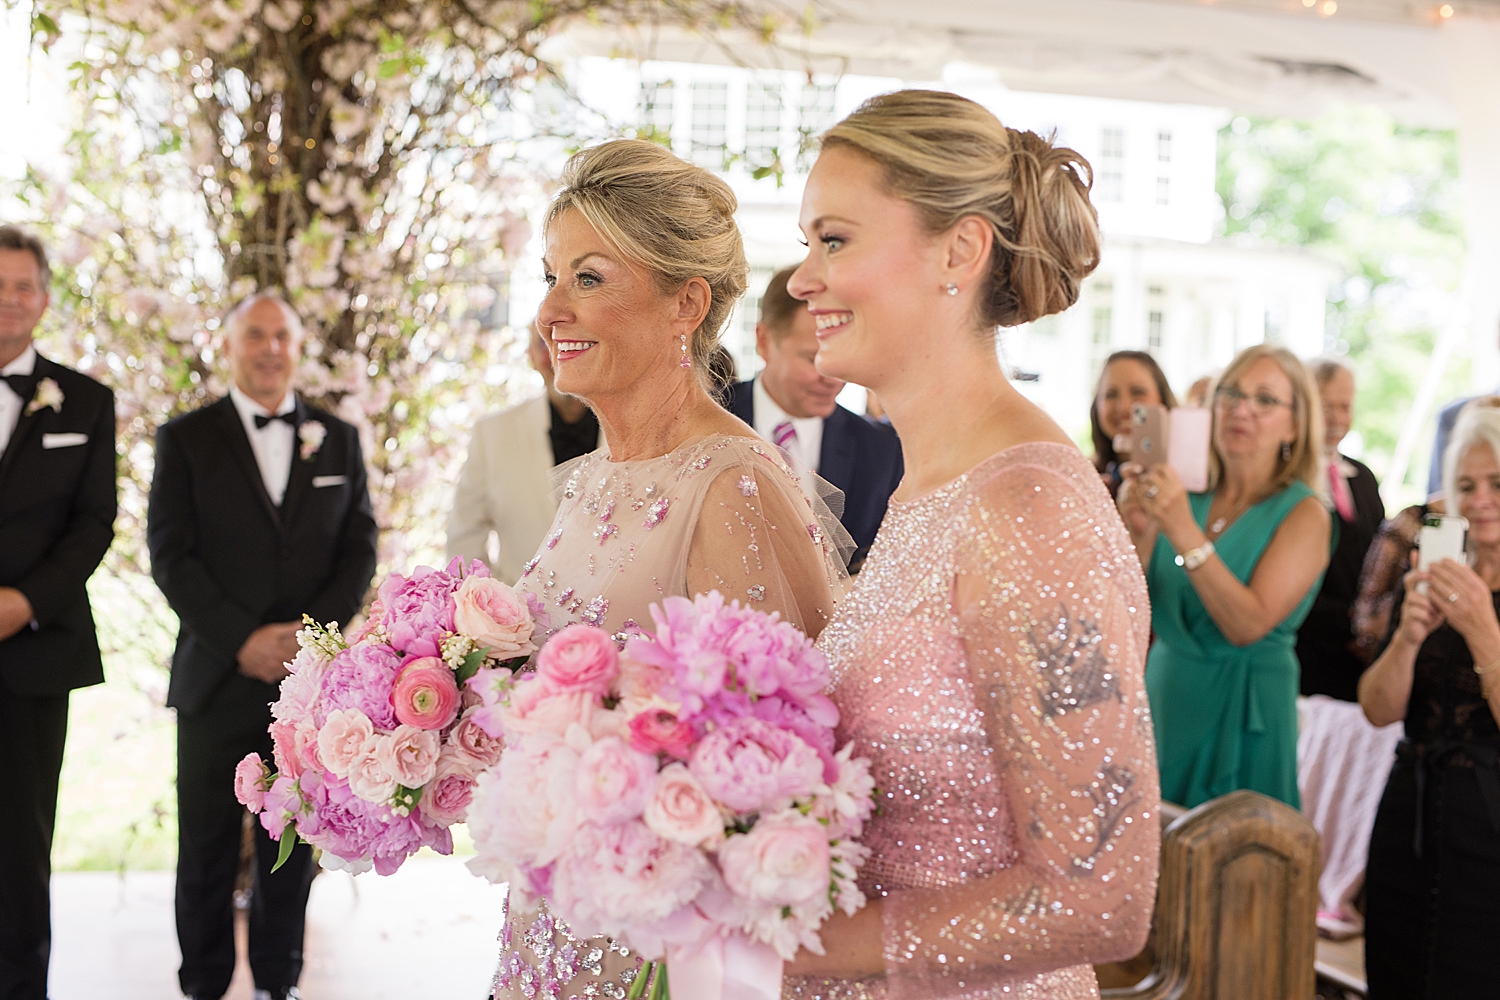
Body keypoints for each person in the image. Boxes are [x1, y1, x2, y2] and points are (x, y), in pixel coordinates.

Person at [781, 89, 1159, 999]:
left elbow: (1103, 897)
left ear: (960, 250)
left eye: (834, 240)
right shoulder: (925, 489)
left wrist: (797, 940)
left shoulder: (1027, 507)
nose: (801, 280)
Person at [490, 139, 850, 1000]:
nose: (550, 310)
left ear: (684, 302)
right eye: (549, 275)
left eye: (588, 278)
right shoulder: (596, 475)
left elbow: (781, 771)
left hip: (661, 957)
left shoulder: (732, 484)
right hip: (548, 931)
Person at [147, 294, 378, 1000]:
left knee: (293, 847)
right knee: (208, 848)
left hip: (307, 691)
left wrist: (306, 643)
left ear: (298, 347)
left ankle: (281, 982)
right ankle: (205, 983)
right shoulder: (185, 439)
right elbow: (170, 553)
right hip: (217, 676)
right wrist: (242, 639)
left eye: (283, 335)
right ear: (230, 345)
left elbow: (359, 547)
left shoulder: (338, 438)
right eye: (256, 335)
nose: (270, 348)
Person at [1119, 343, 1331, 809]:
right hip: (1166, 695)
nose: (1241, 409)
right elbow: (1129, 604)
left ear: (1295, 424)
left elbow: (1247, 624)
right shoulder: (1185, 494)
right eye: (1231, 393)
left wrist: (1181, 530)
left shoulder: (1304, 514)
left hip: (1244, 712)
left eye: (1264, 399)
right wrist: (1135, 534)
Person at [0, 226, 116, 1000]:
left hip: (33, 655)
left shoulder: (84, 400)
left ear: (43, 298)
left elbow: (94, 520)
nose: (10, 300)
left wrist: (24, 600)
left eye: (22, 286)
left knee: (18, 848)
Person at [1359, 399, 1500, 999]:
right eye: (1466, 484)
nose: (1480, 499)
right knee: (1396, 963)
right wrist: (1409, 639)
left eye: (1497, 482)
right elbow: (1378, 709)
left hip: (1490, 823)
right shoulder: (1439, 570)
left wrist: (1482, 632)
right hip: (1411, 809)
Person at [724, 265, 903, 569]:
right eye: (814, 358)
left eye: (843, 357)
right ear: (765, 341)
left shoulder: (881, 451)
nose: (833, 378)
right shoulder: (708, 417)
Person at [446, 324, 600, 581]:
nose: (556, 352)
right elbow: (463, 539)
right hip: (522, 614)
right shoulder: (492, 434)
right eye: (543, 343)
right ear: (529, 355)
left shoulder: (639, 433)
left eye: (573, 341)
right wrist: (494, 609)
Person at [1297, 357, 1385, 700]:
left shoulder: (1361, 477)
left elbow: (1378, 555)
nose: (1336, 418)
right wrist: (1349, 624)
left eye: (1344, 407)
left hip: (1360, 653)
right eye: (1326, 406)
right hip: (1311, 649)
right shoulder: (1290, 480)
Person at [1089, 349, 1177, 499]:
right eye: (1111, 394)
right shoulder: (1086, 477)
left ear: (1162, 400)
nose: (1124, 407)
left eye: (1138, 392)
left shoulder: (1185, 481)